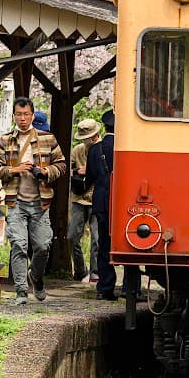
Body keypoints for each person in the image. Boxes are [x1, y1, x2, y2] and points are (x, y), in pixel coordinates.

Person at [0, 97, 63, 304]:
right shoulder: (5, 140)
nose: (22, 118)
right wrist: (14, 169)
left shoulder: (47, 138)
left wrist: (45, 172)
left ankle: (36, 278)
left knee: (42, 246)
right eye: (18, 114)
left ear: (32, 115)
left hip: (41, 202)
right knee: (19, 245)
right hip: (16, 202)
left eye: (26, 114)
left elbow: (62, 164)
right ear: (14, 116)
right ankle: (21, 291)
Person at [85, 109, 119, 300]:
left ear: (104, 127)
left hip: (101, 202)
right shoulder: (125, 147)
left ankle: (104, 288)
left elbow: (89, 178)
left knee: (104, 244)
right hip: (123, 202)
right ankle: (132, 288)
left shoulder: (95, 150)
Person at [68, 117, 103, 283]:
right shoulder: (77, 150)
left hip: (96, 197)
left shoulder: (104, 148)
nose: (86, 141)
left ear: (96, 135)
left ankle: (95, 272)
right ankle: (81, 270)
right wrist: (78, 171)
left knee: (97, 238)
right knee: (72, 236)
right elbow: (68, 170)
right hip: (78, 198)